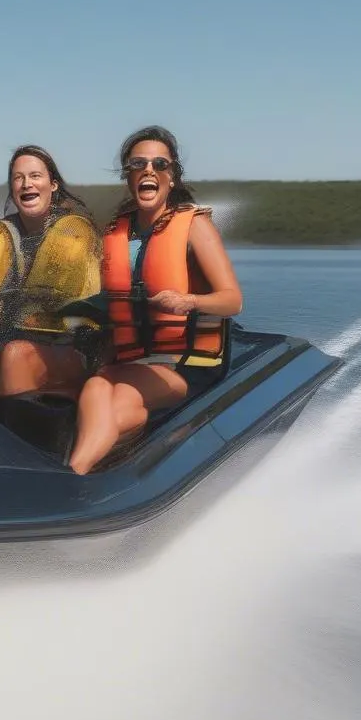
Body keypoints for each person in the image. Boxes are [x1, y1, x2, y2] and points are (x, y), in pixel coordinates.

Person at [67, 126, 243, 474]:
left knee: (118, 394)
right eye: (138, 164)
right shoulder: (116, 232)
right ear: (128, 177)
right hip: (134, 359)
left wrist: (189, 301)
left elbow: (232, 301)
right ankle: (96, 468)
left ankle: (75, 472)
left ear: (172, 177)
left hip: (185, 364)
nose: (149, 170)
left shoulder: (195, 226)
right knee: (103, 390)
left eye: (160, 164)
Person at [0, 145, 102, 406]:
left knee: (15, 355)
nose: (26, 184)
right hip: (11, 342)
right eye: (18, 178)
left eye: (35, 176)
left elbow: (57, 312)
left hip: (72, 348)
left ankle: (9, 439)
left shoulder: (73, 233)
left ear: (53, 185)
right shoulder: (0, 235)